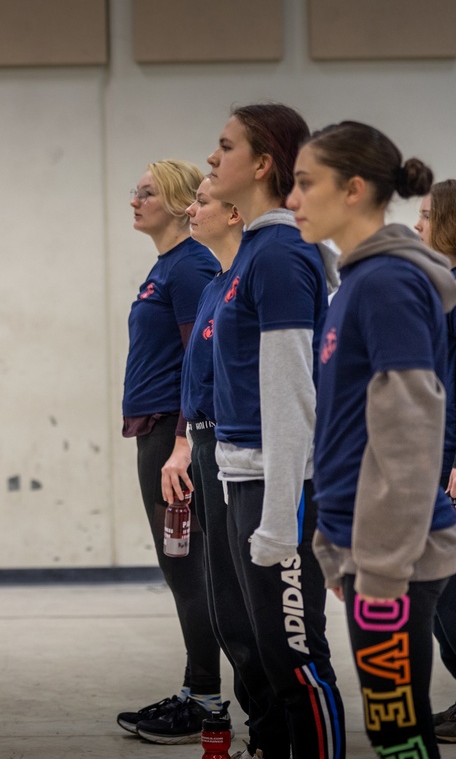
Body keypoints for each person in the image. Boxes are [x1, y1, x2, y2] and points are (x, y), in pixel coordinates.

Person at [288, 120, 456, 757]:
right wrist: (335, 543)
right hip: (368, 546)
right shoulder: (356, 281)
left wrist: (381, 565)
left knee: (397, 730)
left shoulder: (388, 283)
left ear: (354, 188)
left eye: (306, 183)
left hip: (398, 557)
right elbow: (343, 429)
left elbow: (411, 433)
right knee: (395, 727)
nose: (294, 199)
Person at [205, 103, 345, 759]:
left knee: (297, 660)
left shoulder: (283, 253)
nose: (212, 158)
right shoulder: (256, 252)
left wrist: (284, 516)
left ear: (262, 164)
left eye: (225, 145)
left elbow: (293, 396)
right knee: (265, 652)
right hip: (244, 476)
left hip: (279, 483)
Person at [176, 177, 291, 757]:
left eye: (200, 200)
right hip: (207, 448)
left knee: (255, 613)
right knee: (226, 609)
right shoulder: (214, 286)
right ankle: (260, 724)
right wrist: (185, 444)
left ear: (233, 214)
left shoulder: (258, 275)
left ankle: (278, 730)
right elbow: (195, 379)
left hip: (244, 454)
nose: (189, 210)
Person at [116, 160, 226, 745]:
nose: (135, 200)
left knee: (189, 569)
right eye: (134, 192)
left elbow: (199, 360)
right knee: (181, 567)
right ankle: (197, 688)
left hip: (173, 438)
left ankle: (206, 700)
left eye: (147, 192)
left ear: (183, 201)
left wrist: (184, 442)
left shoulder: (190, 267)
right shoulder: (167, 266)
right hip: (158, 432)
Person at [422, 179, 456, 743]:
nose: (418, 224)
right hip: (435, 453)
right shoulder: (442, 287)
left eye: (428, 214)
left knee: (449, 596)